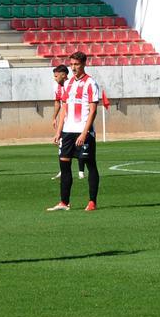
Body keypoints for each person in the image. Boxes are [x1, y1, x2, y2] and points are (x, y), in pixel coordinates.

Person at [48, 52, 101, 212]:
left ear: (84, 64)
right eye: (71, 65)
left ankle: (92, 201)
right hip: (67, 132)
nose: (73, 68)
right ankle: (64, 202)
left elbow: (93, 111)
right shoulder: (68, 83)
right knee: (64, 165)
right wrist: (59, 131)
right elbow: (65, 108)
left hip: (83, 132)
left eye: (76, 65)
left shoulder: (91, 83)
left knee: (90, 165)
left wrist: (84, 133)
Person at [50, 64, 71, 180]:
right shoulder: (56, 87)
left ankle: (82, 170)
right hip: (64, 120)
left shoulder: (72, 85)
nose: (55, 78)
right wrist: (54, 117)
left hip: (75, 120)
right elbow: (58, 102)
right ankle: (63, 170)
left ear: (63, 75)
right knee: (61, 144)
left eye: (56, 76)